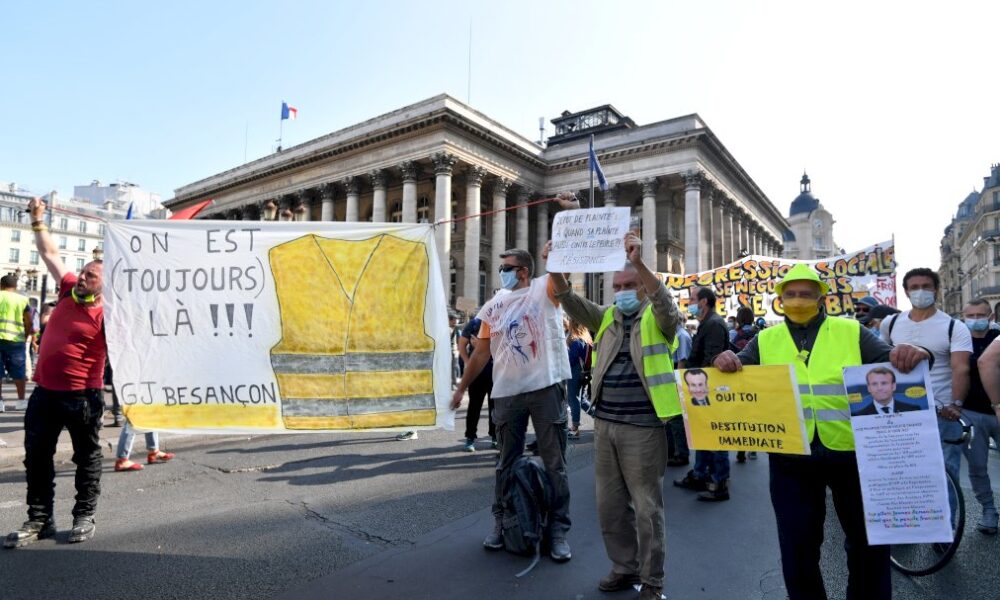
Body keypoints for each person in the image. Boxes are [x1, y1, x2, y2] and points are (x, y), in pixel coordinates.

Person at [712, 262, 930, 600]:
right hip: (791, 460)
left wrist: (916, 353)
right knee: (797, 547)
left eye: (806, 295)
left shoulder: (851, 332)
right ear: (780, 300)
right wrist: (724, 359)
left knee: (867, 544)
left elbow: (896, 363)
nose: (798, 300)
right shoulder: (764, 339)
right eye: (791, 294)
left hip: (854, 456)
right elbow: (735, 369)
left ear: (821, 299)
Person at [550, 231, 681, 600]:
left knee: (646, 508)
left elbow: (666, 303)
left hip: (643, 427)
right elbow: (568, 299)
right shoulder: (606, 317)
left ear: (642, 288)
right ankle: (624, 567)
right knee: (609, 506)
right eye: (617, 285)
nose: (622, 290)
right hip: (605, 424)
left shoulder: (659, 319)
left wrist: (639, 261)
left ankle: (652, 580)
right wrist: (556, 266)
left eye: (629, 284)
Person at [450, 192, 578, 562]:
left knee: (555, 464)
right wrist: (461, 388)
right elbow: (482, 352)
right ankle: (503, 521)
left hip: (546, 388)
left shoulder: (545, 289)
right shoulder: (493, 305)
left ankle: (557, 530)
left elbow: (563, 269)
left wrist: (568, 218)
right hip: (506, 394)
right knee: (504, 463)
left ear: (522, 271)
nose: (501, 271)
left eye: (506, 267)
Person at [4, 196, 108, 548]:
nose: (82, 277)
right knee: (36, 456)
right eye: (83, 272)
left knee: (87, 458)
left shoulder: (110, 313)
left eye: (90, 276)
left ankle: (83, 515)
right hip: (45, 394)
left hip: (83, 398)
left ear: (103, 284)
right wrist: (37, 220)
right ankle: (40, 518)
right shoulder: (66, 290)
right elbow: (50, 253)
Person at [879, 268, 970, 508]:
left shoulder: (954, 327)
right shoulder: (891, 323)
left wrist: (956, 404)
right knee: (902, 473)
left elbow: (960, 368)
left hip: (941, 412)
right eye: (915, 287)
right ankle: (910, 523)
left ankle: (946, 531)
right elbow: (881, 362)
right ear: (906, 292)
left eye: (926, 286)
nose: (921, 291)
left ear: (936, 290)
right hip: (901, 411)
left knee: (945, 473)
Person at [674, 286, 731, 501]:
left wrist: (694, 381)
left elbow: (712, 359)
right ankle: (700, 474)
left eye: (692, 299)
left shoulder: (714, 324)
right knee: (704, 435)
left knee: (716, 436)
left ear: (704, 302)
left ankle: (719, 481)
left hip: (708, 390)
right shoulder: (708, 323)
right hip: (701, 388)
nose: (689, 303)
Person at [961, 298, 1000, 534]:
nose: (975, 320)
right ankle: (988, 510)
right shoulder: (958, 342)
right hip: (971, 412)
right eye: (971, 315)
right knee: (977, 467)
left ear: (991, 317)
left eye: (981, 315)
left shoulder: (997, 340)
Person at [457, 315, 494, 451]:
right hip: (476, 375)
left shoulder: (502, 321)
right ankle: (470, 438)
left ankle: (495, 437)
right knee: (474, 407)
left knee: (495, 408)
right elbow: (461, 344)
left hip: (496, 373)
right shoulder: (474, 323)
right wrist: (468, 362)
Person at [0, 274, 33, 413]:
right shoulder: (23, 299)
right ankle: (20, 401)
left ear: (1, 285)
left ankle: (0, 402)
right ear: (15, 286)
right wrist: (26, 336)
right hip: (17, 341)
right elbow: (29, 321)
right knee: (19, 372)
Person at [666, 324, 692, 467]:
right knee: (672, 420)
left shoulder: (681, 336)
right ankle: (674, 451)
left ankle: (681, 453)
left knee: (676, 420)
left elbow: (682, 361)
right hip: (674, 376)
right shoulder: (679, 334)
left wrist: (677, 385)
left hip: (676, 377)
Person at [852, 367, 921, 415]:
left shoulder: (914, 410)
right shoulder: (858, 415)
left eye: (884, 383)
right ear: (869, 388)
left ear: (893, 386)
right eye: (874, 384)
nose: (879, 388)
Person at [564, 318, 591, 440]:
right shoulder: (586, 339)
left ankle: (575, 428)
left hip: (575, 373)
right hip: (583, 373)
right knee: (582, 400)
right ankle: (600, 417)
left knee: (573, 399)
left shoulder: (575, 342)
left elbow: (571, 360)